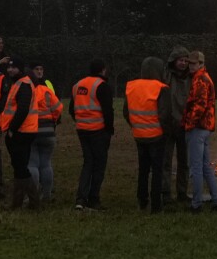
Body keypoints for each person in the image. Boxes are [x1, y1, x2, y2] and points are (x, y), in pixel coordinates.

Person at [124, 56, 173, 212]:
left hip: (139, 134)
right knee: (157, 170)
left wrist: (136, 125)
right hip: (157, 135)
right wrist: (166, 132)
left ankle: (142, 200)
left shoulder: (131, 87)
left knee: (143, 169)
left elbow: (126, 112)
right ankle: (156, 204)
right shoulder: (161, 88)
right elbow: (164, 115)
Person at [180, 51, 217, 212]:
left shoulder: (200, 79)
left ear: (201, 64)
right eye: (189, 63)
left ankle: (196, 204)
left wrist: (189, 124)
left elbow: (199, 105)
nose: (190, 66)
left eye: (193, 64)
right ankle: (216, 201)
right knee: (205, 166)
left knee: (196, 167)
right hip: (205, 127)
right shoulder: (204, 77)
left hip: (198, 128)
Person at [70, 58, 114, 211]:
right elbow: (108, 111)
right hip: (98, 130)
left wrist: (81, 121)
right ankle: (94, 198)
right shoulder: (102, 86)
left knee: (88, 162)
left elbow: (71, 109)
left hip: (82, 130)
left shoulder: (77, 85)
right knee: (99, 165)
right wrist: (109, 130)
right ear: (102, 70)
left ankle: (81, 198)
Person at [0, 62, 40, 210]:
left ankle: (27, 202)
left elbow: (22, 109)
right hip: (23, 130)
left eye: (13, 66)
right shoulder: (20, 83)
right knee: (19, 166)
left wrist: (12, 129)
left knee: (21, 167)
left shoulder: (23, 84)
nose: (10, 69)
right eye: (8, 67)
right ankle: (21, 202)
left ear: (20, 68)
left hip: (22, 131)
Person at [28, 63, 63, 203]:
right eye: (36, 69)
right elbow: (58, 107)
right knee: (46, 164)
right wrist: (53, 121)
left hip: (31, 130)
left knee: (32, 164)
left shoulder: (25, 89)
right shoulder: (46, 89)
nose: (39, 71)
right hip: (48, 130)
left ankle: (33, 195)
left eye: (41, 69)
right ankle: (47, 195)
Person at [163, 46, 192, 203]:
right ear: (173, 61)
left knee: (184, 162)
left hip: (185, 125)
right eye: (180, 60)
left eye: (186, 60)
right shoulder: (166, 76)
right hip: (168, 124)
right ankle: (165, 193)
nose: (183, 63)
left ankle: (182, 193)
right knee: (165, 162)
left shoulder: (191, 78)